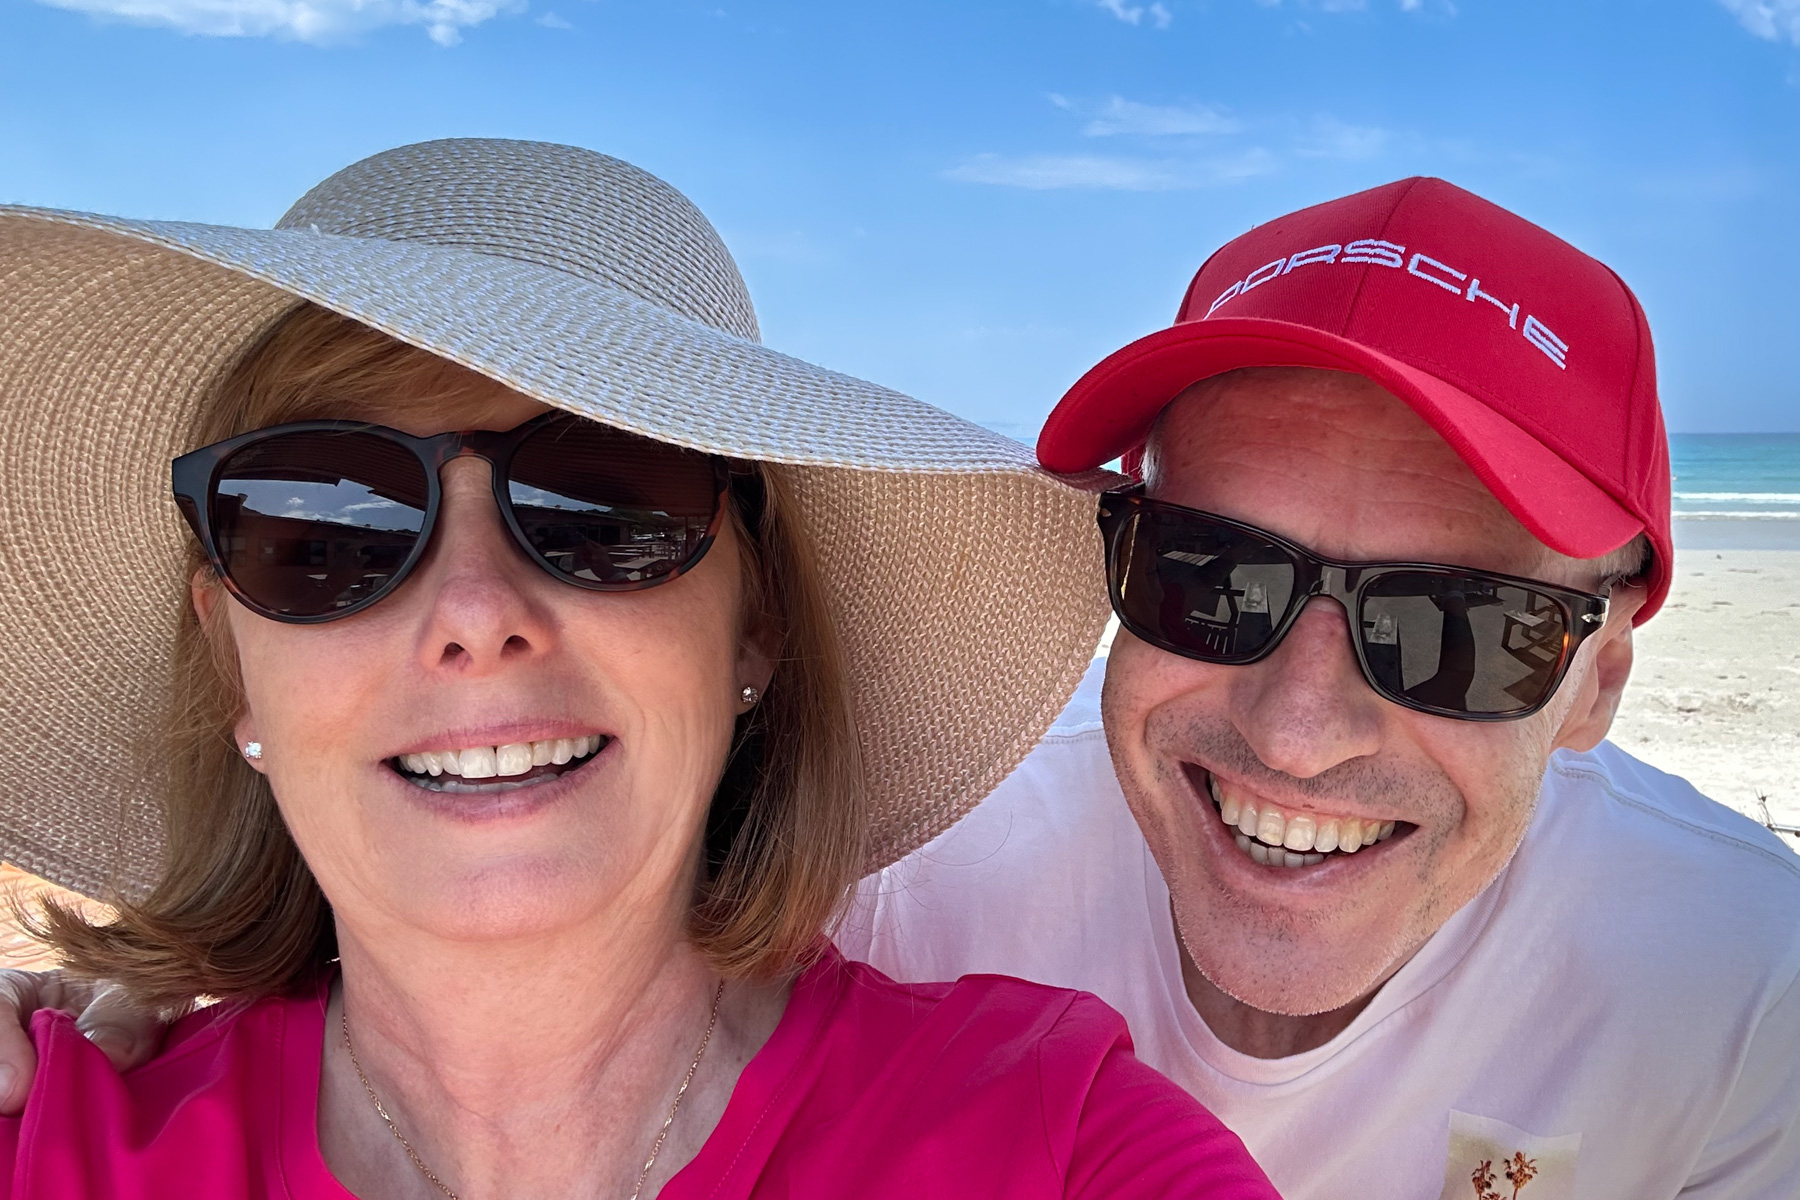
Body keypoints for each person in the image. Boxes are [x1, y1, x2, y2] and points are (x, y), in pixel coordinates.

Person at [0, 139, 1279, 1199]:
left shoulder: (1056, 1148)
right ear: (231, 661)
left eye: (602, 506)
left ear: (754, 626)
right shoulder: (46, 1146)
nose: (474, 614)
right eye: (328, 530)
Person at [838, 180, 1800, 1198]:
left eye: (1455, 629)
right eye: (1212, 576)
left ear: (1597, 682)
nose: (1296, 735)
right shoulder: (912, 866)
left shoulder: (1736, 988)